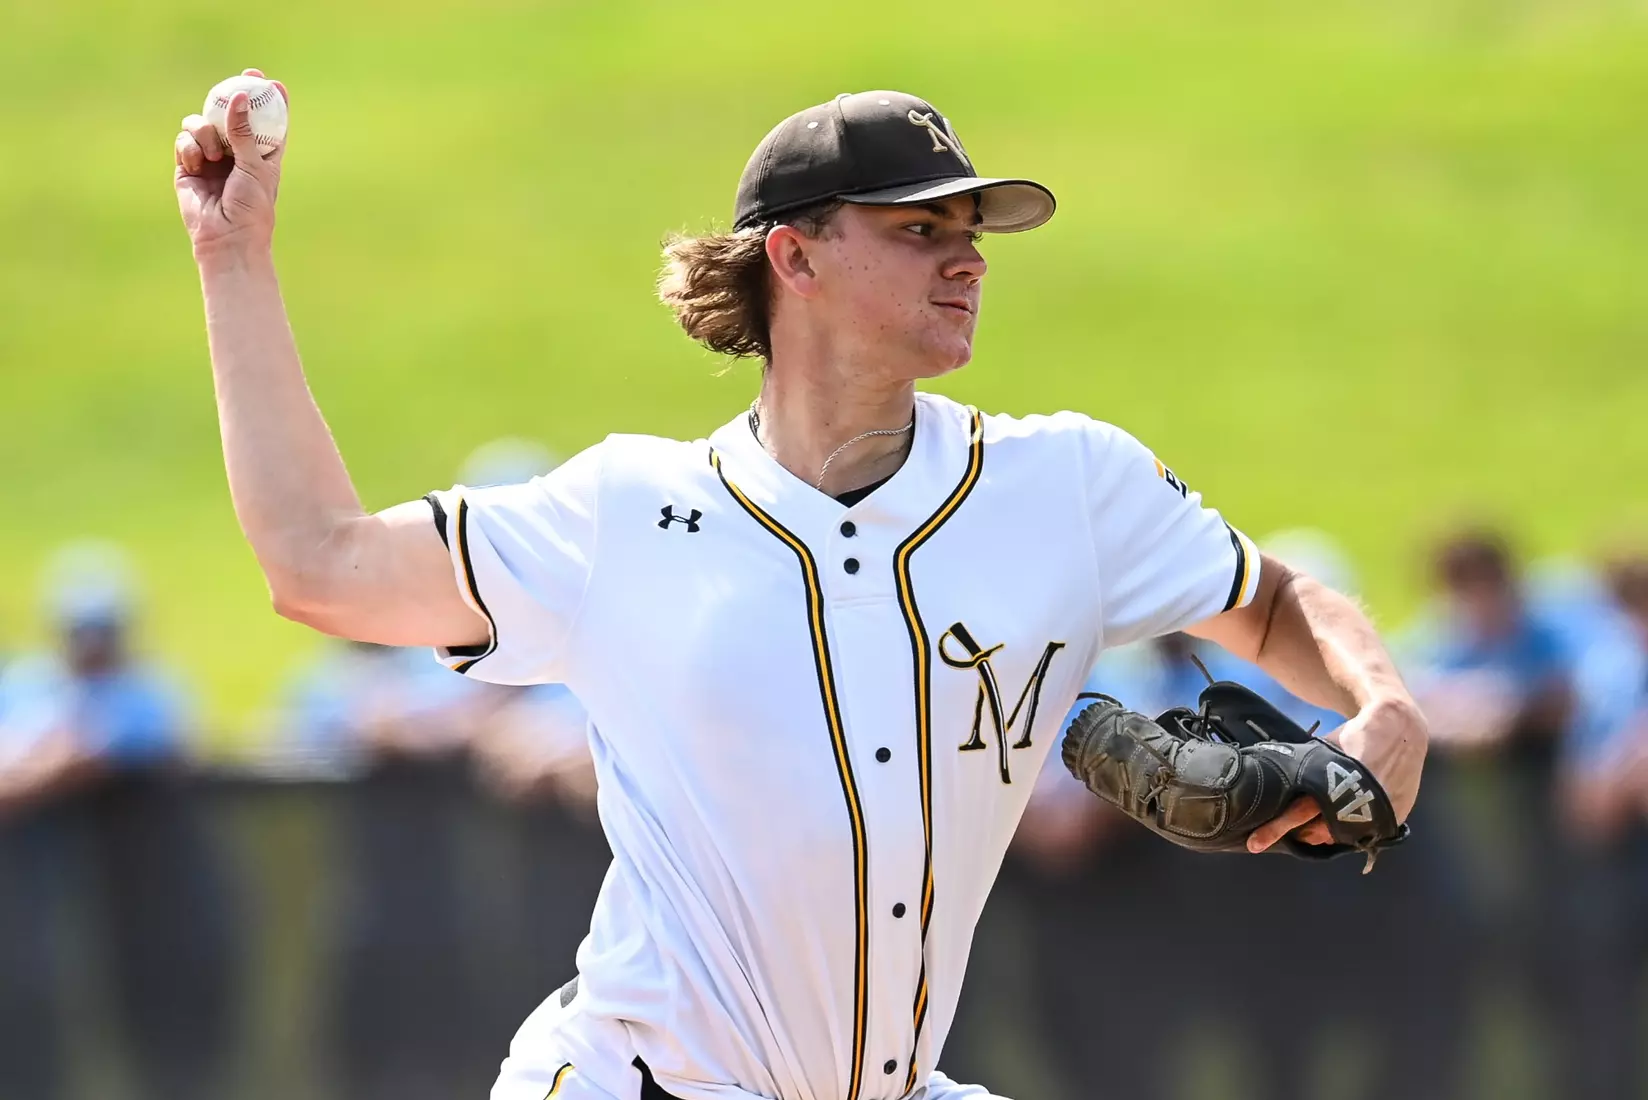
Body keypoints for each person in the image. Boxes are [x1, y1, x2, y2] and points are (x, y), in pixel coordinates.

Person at [174, 75, 1428, 1100]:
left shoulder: (1069, 485)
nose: (968, 260)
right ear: (796, 256)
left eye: (971, 233)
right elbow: (320, 564)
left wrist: (1385, 705)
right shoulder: (626, 513)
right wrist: (235, 258)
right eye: (919, 228)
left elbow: (1267, 603)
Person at [0, 542, 239, 1100]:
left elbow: (103, 752)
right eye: (80, 628)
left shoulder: (148, 692)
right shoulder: (27, 684)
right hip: (40, 911)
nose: (92, 643)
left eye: (103, 628)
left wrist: (47, 762)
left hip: (139, 915)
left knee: (156, 1043)